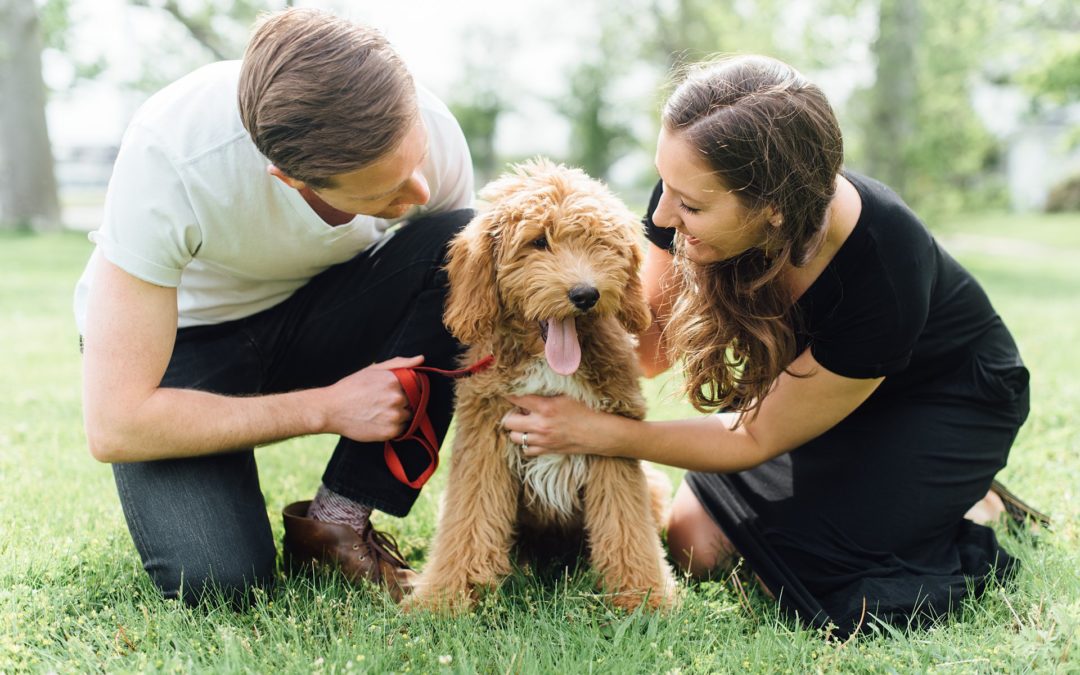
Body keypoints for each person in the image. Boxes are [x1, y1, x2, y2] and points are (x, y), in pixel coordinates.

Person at [501, 55, 1047, 635]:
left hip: (943, 396)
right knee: (695, 545)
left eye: (689, 206)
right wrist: (538, 343)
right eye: (665, 185)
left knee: (802, 580)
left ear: (774, 213)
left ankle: (967, 502)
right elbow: (649, 346)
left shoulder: (886, 265)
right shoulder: (690, 192)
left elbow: (757, 435)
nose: (661, 216)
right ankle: (904, 495)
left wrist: (601, 432)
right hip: (815, 395)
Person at [74, 8, 474, 604]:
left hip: (318, 316)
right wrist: (326, 408)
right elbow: (116, 424)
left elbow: (465, 315)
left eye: (414, 166)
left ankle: (338, 521)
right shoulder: (172, 155)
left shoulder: (427, 128)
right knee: (217, 580)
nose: (418, 193)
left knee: (463, 248)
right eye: (383, 193)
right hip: (185, 346)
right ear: (290, 179)